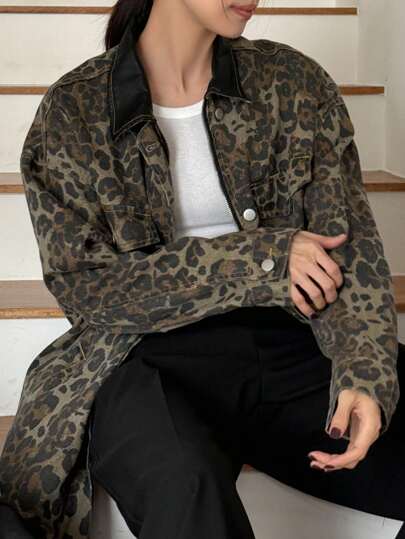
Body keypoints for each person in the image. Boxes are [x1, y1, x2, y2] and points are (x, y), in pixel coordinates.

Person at [0, 1, 404, 538]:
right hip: (140, 356)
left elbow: (351, 248)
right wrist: (260, 258)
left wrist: (365, 371)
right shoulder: (76, 109)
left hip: (296, 340)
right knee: (185, 488)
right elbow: (85, 284)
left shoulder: (292, 83)